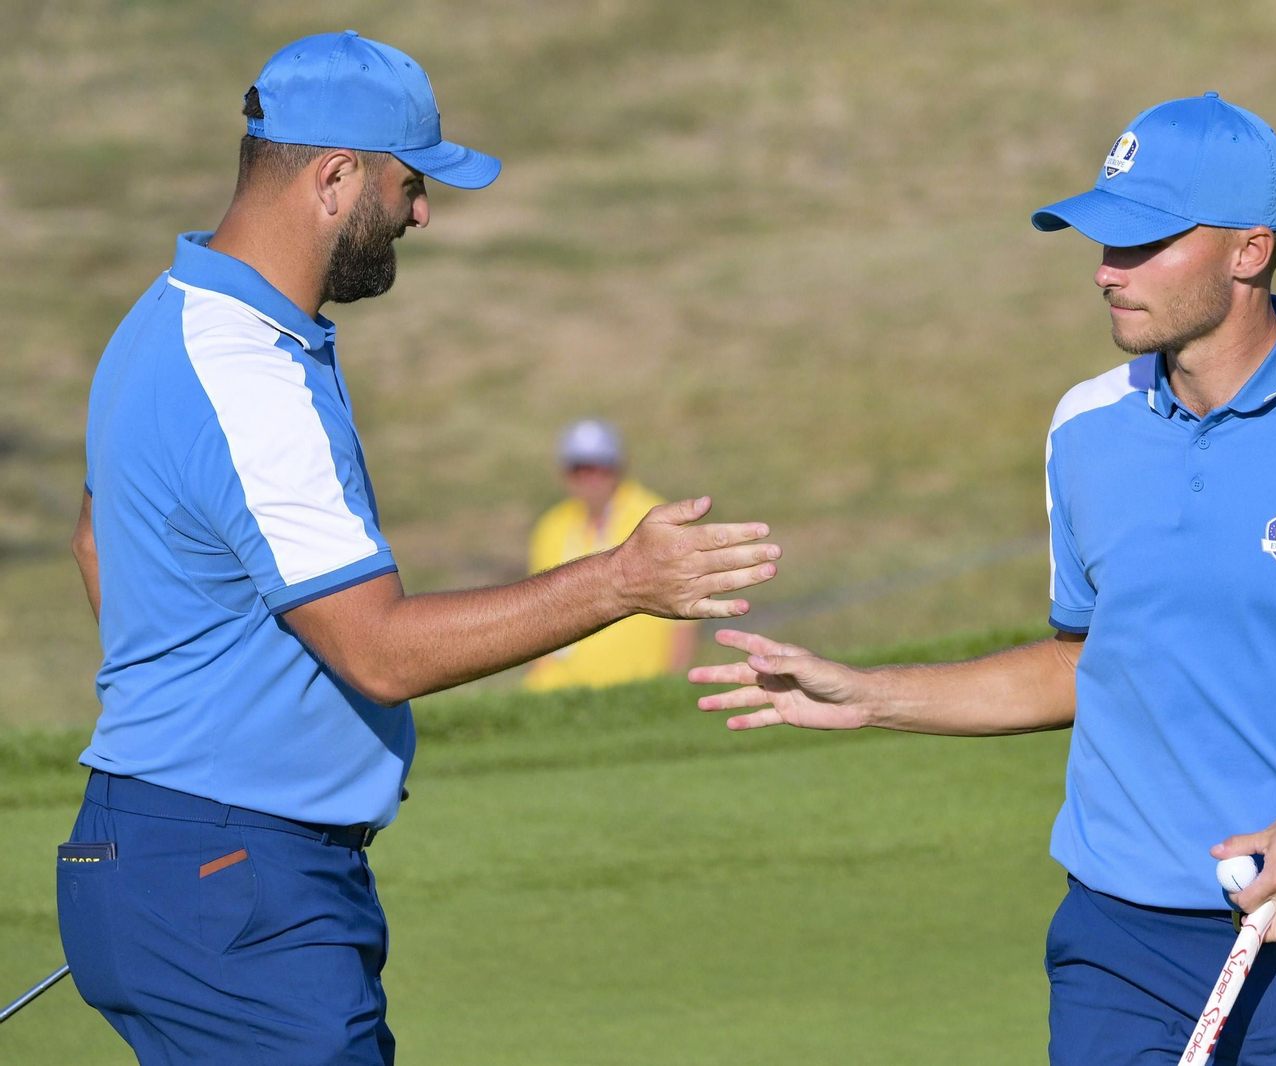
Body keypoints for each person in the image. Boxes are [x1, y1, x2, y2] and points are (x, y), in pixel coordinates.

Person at [690, 93, 1276, 1064]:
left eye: (1146, 243)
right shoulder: (1085, 429)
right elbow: (1088, 663)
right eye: (1105, 241)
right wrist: (870, 697)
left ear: (1249, 251)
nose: (1109, 270)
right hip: (1120, 953)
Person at [62, 32, 779, 1065]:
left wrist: (176, 768)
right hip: (236, 880)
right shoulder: (249, 377)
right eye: (410, 183)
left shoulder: (160, 319)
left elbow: (99, 543)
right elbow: (380, 651)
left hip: (163, 857)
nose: (422, 212)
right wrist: (624, 580)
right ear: (335, 178)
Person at [523, 419, 698, 692]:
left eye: (599, 466)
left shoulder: (655, 519)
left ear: (618, 467)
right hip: (561, 690)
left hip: (638, 688)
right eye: (579, 468)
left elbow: (685, 613)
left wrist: (671, 686)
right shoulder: (551, 528)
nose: (589, 478)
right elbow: (539, 615)